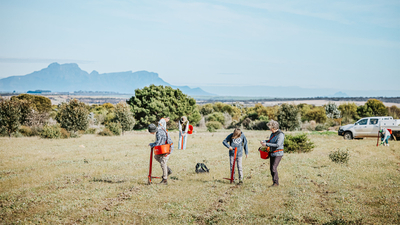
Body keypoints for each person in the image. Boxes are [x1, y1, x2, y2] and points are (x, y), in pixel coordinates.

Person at [260, 120, 285, 187]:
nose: (270, 130)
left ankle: (276, 183)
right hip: (272, 153)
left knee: (274, 168)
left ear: (275, 128)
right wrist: (264, 141)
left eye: (271, 128)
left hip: (278, 153)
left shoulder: (281, 135)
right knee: (271, 168)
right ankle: (274, 182)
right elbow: (270, 141)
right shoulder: (272, 134)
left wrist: (266, 144)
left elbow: (277, 145)